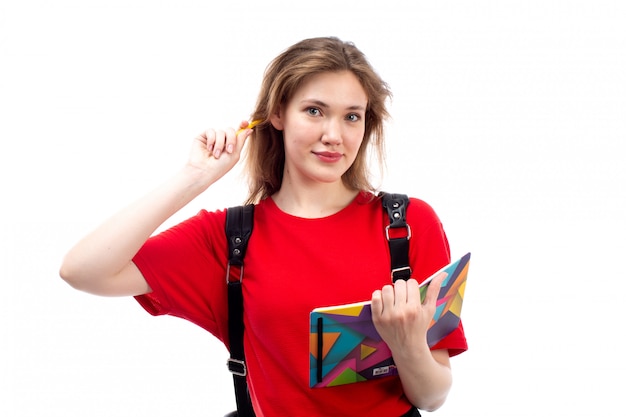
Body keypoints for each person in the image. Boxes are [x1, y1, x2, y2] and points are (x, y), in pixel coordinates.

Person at [60, 36, 467, 417]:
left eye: (352, 117)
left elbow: (432, 397)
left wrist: (408, 345)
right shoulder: (229, 239)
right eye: (314, 110)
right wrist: (194, 177)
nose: (334, 135)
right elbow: (83, 270)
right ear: (277, 114)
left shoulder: (408, 225)